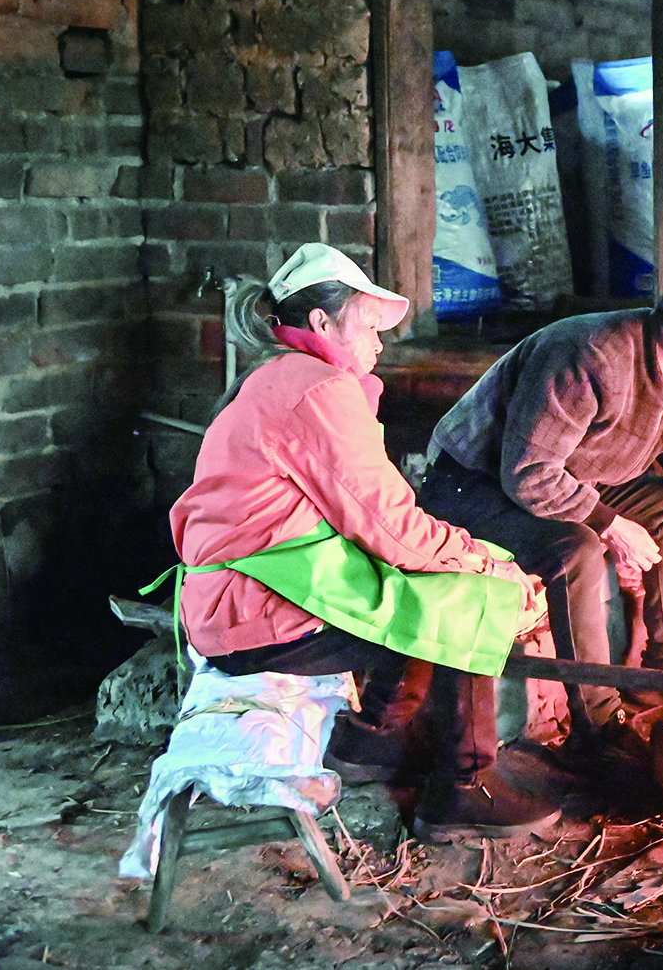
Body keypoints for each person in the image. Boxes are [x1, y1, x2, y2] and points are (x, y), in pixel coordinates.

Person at [165, 243, 558, 842]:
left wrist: (474, 557)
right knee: (471, 596)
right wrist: (486, 567)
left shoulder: (280, 376)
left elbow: (374, 523)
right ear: (321, 324)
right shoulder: (317, 390)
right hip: (253, 613)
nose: (380, 343)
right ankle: (464, 788)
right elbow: (393, 530)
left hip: (240, 594)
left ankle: (375, 737)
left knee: (439, 572)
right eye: (370, 327)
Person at [418, 273, 663, 799]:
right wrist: (610, 525)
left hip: (569, 479)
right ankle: (597, 728)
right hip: (474, 483)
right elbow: (528, 474)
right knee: (575, 549)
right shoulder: (591, 355)